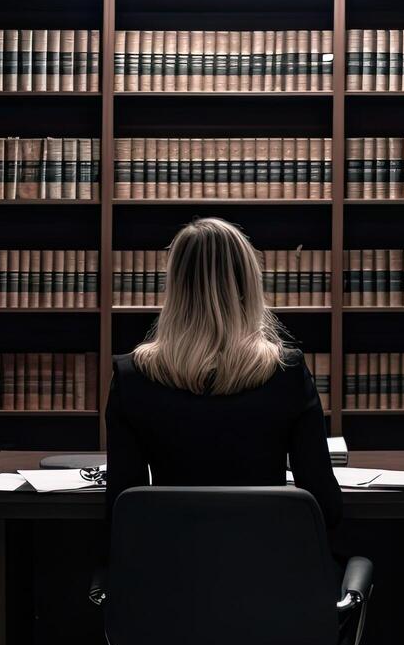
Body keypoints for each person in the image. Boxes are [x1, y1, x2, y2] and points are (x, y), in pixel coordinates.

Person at [104, 217, 343, 530]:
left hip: (167, 569)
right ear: (247, 283)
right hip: (268, 566)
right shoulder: (286, 372)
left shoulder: (132, 376)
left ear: (175, 285)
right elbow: (323, 500)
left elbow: (123, 507)